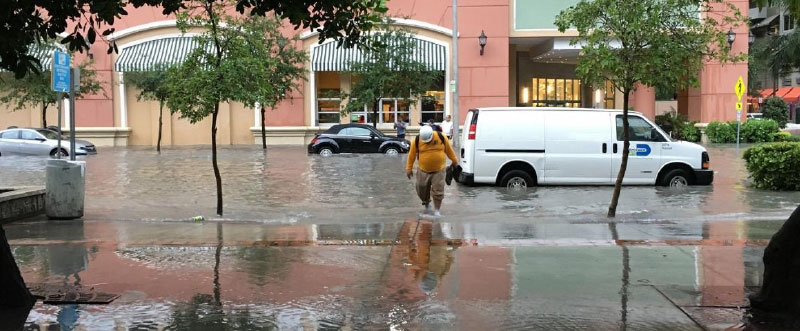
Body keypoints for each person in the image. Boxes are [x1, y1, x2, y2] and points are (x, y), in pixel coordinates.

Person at [406, 125, 458, 217]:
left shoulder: (441, 137)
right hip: (423, 170)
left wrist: (455, 161)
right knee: (421, 188)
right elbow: (411, 155)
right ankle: (426, 203)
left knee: (438, 191)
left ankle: (437, 211)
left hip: (439, 170)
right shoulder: (417, 140)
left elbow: (449, 150)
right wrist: (409, 169)